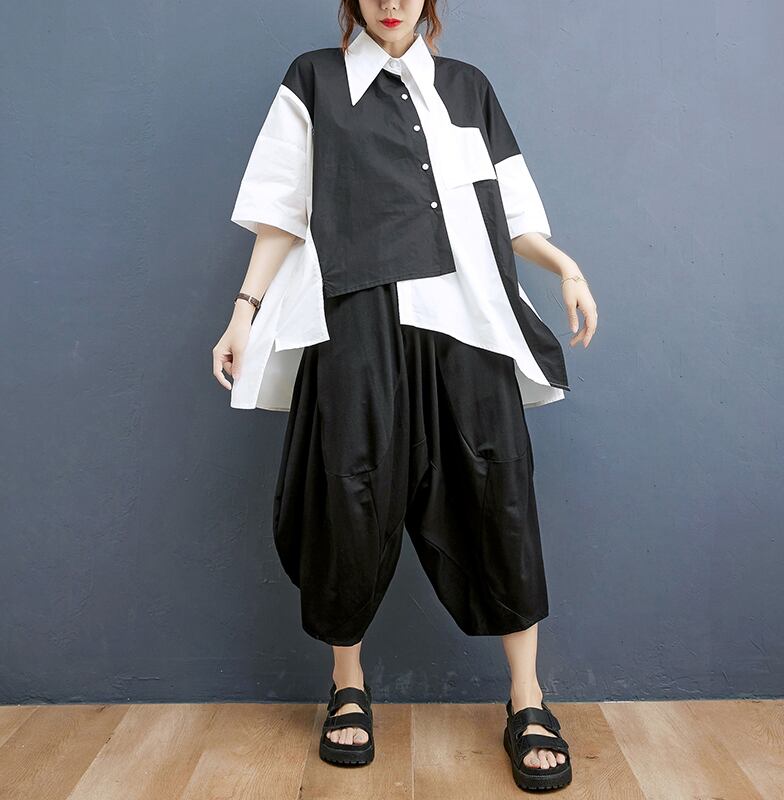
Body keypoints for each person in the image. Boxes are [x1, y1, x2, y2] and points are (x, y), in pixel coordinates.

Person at [213, 0, 597, 793]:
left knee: (497, 490)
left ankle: (527, 698)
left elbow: (511, 209)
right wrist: (243, 312)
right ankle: (348, 687)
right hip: (357, 315)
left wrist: (566, 266)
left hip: (469, 321)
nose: (392, 4)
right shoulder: (314, 80)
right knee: (347, 491)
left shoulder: (467, 87)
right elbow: (281, 209)